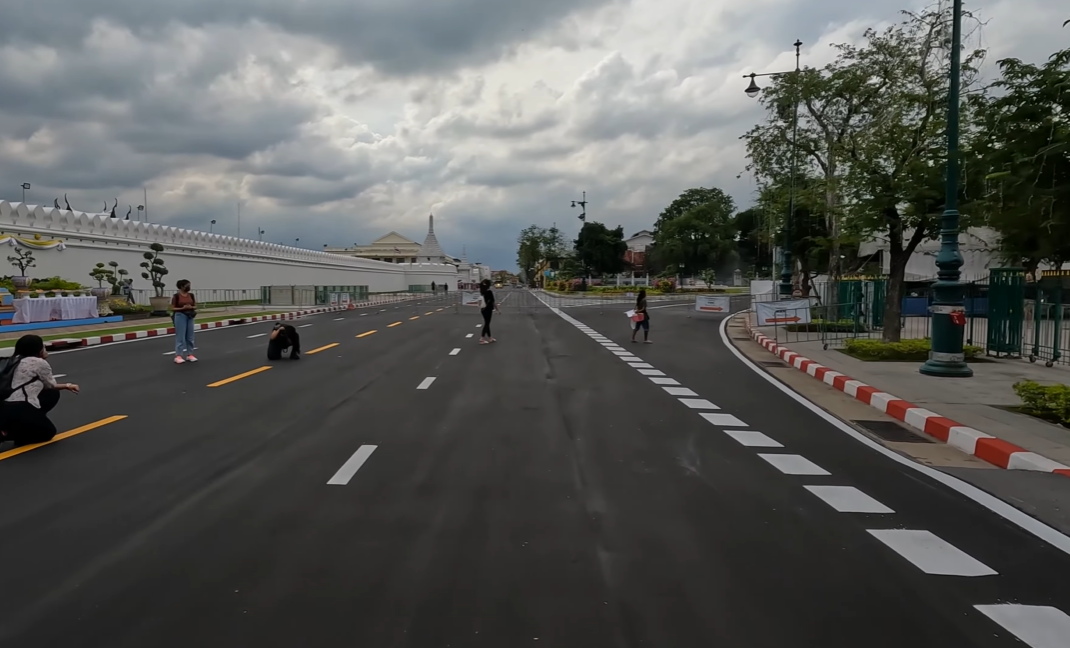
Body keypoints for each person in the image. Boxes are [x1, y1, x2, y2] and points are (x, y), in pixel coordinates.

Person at [0, 335, 80, 447]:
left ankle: (25, 423)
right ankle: (9, 434)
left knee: (51, 394)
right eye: (43, 346)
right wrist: (67, 385)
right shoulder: (39, 363)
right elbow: (51, 385)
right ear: (38, 349)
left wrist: (67, 386)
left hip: (3, 407)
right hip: (20, 407)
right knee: (48, 432)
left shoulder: (11, 360)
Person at [171, 279, 198, 364]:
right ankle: (178, 355)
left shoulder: (191, 295)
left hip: (190, 315)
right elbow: (173, 308)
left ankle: (190, 354)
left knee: (190, 336)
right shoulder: (176, 296)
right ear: (181, 286)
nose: (189, 287)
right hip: (180, 315)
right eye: (187, 286)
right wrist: (182, 308)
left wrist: (191, 307)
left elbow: (195, 306)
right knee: (181, 336)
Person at [478, 278, 500, 344]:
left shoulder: (482, 292)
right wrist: (497, 310)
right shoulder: (489, 292)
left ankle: (490, 338)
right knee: (487, 324)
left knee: (487, 323)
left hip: (483, 309)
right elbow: (493, 302)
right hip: (488, 309)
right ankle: (482, 338)